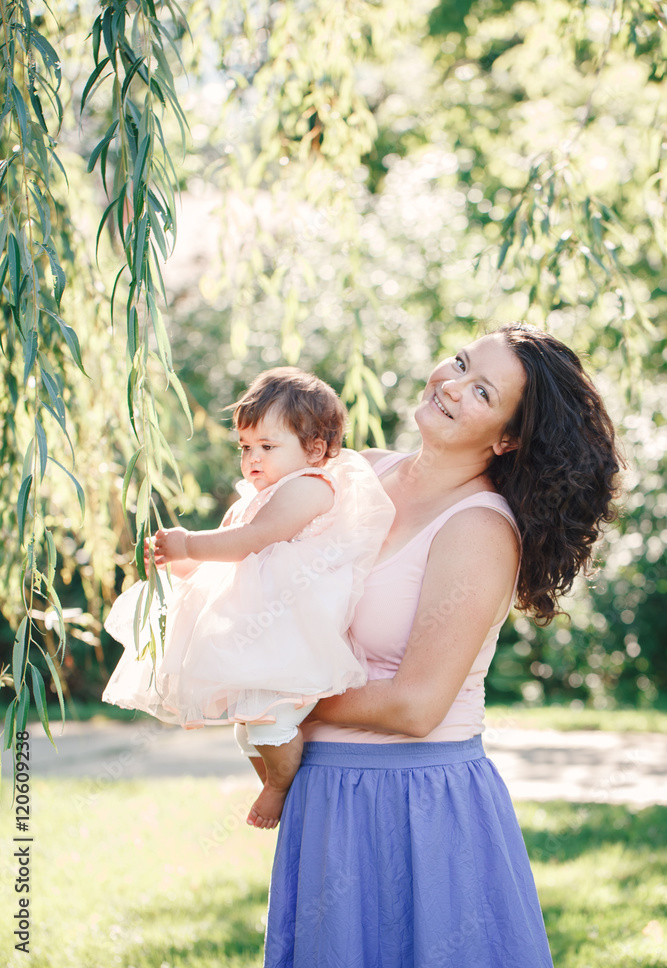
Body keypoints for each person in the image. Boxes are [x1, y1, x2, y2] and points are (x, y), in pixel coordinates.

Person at [257, 324, 623, 968]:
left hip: (415, 803)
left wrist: (275, 700)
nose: (449, 384)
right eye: (458, 362)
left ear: (506, 438)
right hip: (325, 796)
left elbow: (416, 705)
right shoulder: (356, 474)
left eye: (480, 390)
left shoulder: (478, 528)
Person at [102, 368, 395, 828]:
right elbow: (221, 555)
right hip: (259, 635)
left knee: (271, 723)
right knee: (248, 732)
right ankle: (284, 790)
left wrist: (189, 542)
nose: (252, 458)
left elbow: (254, 539)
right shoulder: (256, 496)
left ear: (314, 449)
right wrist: (175, 561)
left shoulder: (310, 487)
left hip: (289, 633)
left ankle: (280, 786)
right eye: (245, 447)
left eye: (267, 447)